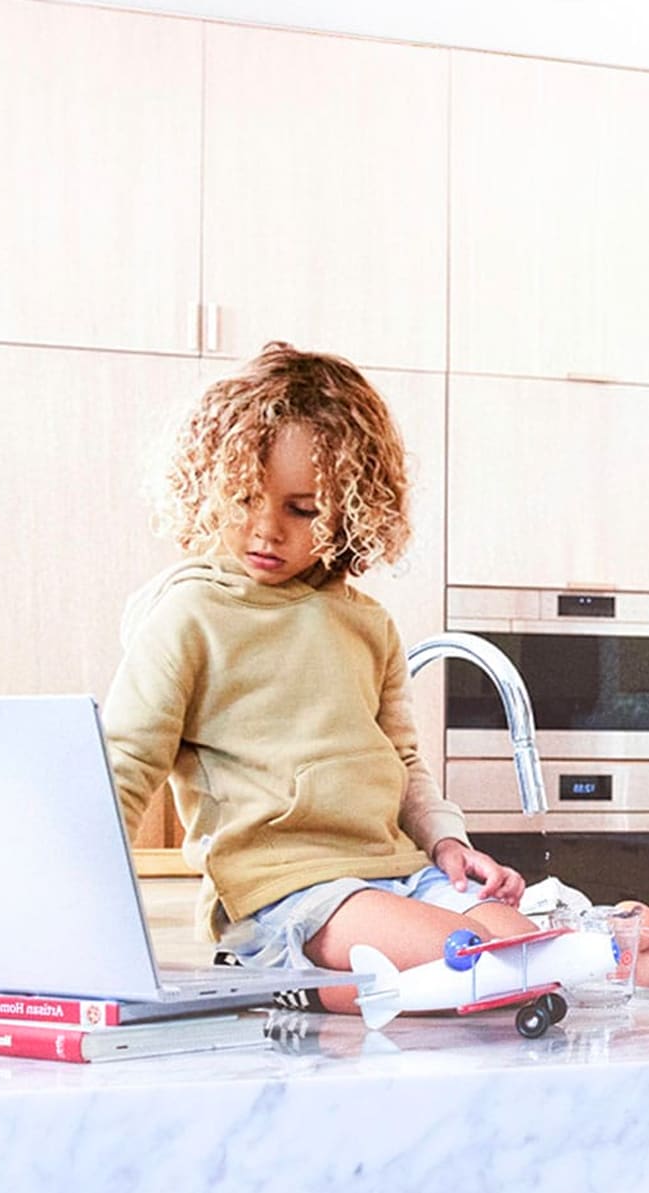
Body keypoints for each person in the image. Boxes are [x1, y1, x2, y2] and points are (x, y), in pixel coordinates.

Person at [104, 342, 535, 1014]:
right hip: (283, 890)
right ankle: (285, 978)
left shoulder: (367, 624)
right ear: (209, 483)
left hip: (397, 873)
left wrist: (448, 843)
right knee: (470, 957)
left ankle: (358, 987)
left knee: (528, 947)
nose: (265, 529)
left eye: (302, 509)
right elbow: (124, 764)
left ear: (352, 507)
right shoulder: (189, 613)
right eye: (245, 496)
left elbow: (404, 764)